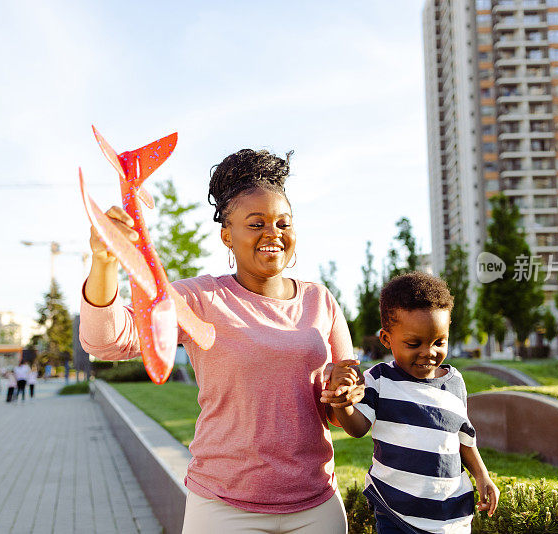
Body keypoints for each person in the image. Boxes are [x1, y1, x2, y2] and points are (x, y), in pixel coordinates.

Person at [80, 148, 362, 533]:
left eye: (283, 223)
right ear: (227, 236)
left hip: (315, 506)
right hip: (223, 507)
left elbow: (341, 405)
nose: (273, 234)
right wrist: (104, 261)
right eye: (256, 223)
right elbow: (106, 341)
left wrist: (345, 391)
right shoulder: (200, 298)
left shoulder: (320, 300)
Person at [327, 272, 499, 533]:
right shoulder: (380, 379)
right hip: (395, 512)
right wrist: (343, 403)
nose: (428, 352)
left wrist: (482, 476)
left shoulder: (455, 382)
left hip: (450, 516)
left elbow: (464, 439)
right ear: (387, 339)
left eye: (439, 342)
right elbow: (358, 428)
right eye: (413, 343)